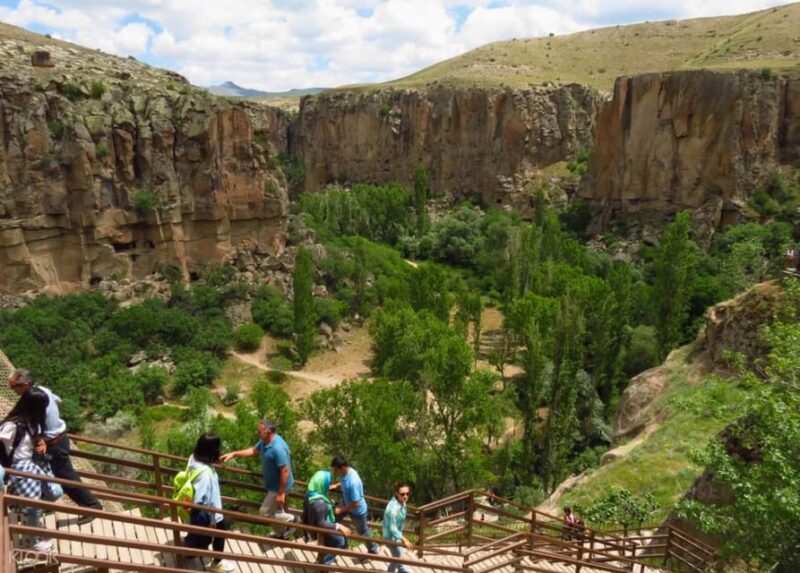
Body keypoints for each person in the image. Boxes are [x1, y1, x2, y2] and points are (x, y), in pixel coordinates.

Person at [8, 369, 102, 519]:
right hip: (59, 438)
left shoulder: (33, 401)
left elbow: (34, 426)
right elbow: (58, 400)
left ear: (25, 385)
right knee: (46, 475)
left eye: (13, 387)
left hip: (53, 444)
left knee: (66, 478)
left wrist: (41, 436)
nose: (13, 391)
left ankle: (92, 506)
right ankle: (40, 505)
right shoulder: (42, 390)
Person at [0, 387, 62, 552]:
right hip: (19, 467)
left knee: (55, 492)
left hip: (32, 464)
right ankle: (33, 542)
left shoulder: (33, 422)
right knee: (34, 505)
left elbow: (34, 437)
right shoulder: (12, 426)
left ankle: (26, 513)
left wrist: (39, 441)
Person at [219, 418, 296, 538]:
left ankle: (292, 520)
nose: (257, 433)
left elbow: (285, 471)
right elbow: (253, 451)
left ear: (269, 432)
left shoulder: (277, 448)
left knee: (264, 513)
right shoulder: (265, 442)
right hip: (274, 485)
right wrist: (234, 454)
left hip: (279, 487)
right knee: (275, 511)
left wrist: (281, 493)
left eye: (259, 431)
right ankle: (280, 534)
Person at [183, 433, 235, 573]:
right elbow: (202, 500)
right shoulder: (205, 473)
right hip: (212, 512)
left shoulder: (193, 458)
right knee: (220, 535)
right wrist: (212, 519)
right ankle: (216, 564)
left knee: (194, 529)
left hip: (194, 507)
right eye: (217, 447)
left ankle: (189, 550)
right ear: (212, 450)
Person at [330, 455, 378, 558]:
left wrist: (341, 509)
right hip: (347, 503)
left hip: (357, 511)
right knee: (333, 519)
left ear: (342, 468)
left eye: (336, 470)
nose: (335, 472)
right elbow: (344, 482)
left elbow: (356, 503)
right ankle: (343, 544)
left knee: (363, 532)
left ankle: (373, 551)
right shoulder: (347, 472)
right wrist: (336, 486)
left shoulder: (353, 481)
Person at [302, 470, 352, 566]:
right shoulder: (320, 503)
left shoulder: (310, 493)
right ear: (322, 483)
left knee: (334, 539)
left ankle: (321, 560)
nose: (328, 484)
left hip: (311, 525)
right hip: (318, 529)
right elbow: (322, 524)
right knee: (340, 541)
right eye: (327, 483)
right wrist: (339, 526)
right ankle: (324, 563)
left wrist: (333, 487)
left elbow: (305, 513)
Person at [383, 482, 414, 573]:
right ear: (396, 493)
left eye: (407, 494)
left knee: (396, 560)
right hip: (390, 538)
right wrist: (404, 539)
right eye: (402, 494)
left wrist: (401, 538)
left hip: (397, 537)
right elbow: (393, 529)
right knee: (401, 563)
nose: (405, 496)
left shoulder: (402, 503)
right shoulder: (392, 508)